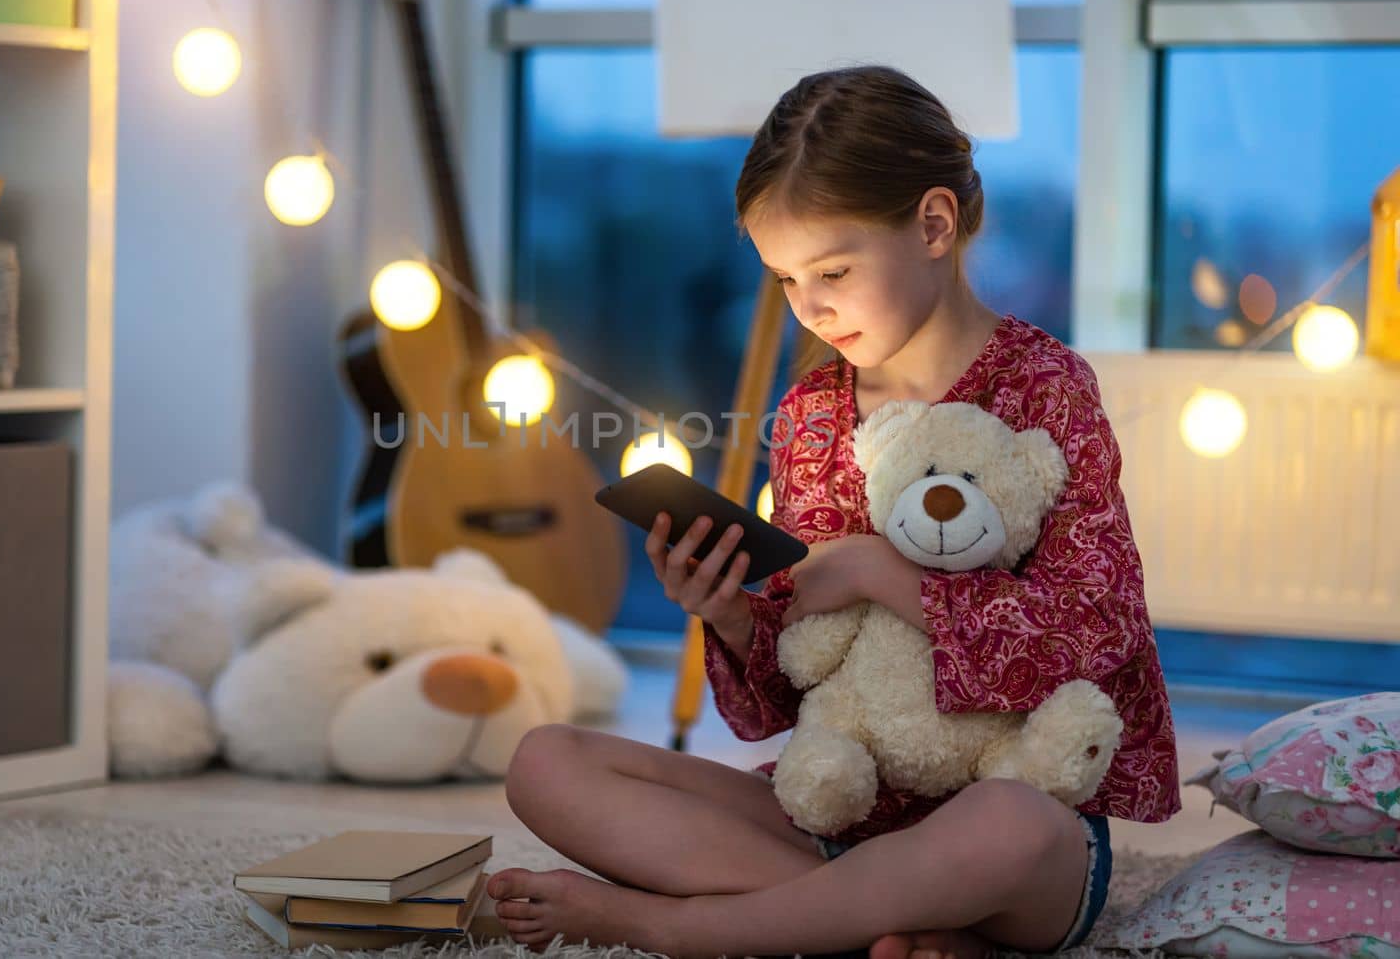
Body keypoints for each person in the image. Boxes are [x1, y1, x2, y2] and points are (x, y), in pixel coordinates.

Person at [484, 65, 1181, 959]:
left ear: (934, 225)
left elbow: (1097, 633)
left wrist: (888, 576)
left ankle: (681, 926)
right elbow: (794, 688)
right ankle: (897, 925)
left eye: (834, 270)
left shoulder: (1048, 390)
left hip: (1017, 825)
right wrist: (732, 613)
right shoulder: (813, 414)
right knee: (548, 761)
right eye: (783, 279)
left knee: (1011, 823)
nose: (809, 305)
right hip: (842, 813)